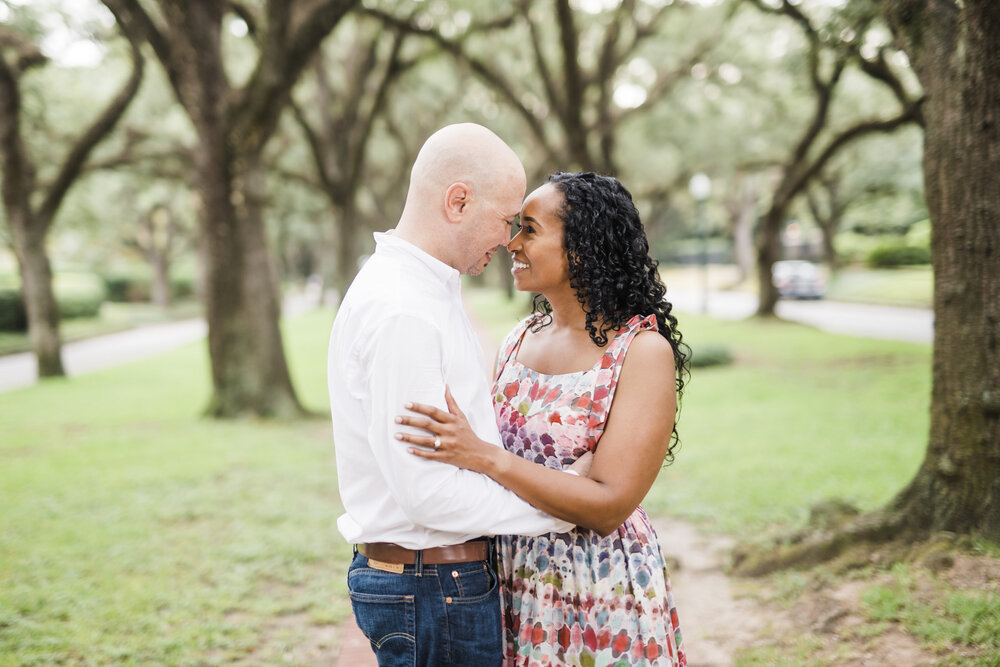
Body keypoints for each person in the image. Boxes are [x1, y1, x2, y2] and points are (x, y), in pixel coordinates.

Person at [396, 171, 690, 666]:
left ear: (582, 247)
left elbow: (608, 505)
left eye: (530, 229)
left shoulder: (640, 351)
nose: (512, 242)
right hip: (509, 579)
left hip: (597, 588)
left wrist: (485, 457)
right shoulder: (518, 338)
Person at [328, 124, 579, 667]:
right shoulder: (404, 309)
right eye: (506, 218)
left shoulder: (424, 291)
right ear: (458, 201)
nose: (510, 238)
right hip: (432, 588)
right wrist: (561, 509)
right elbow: (427, 493)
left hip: (434, 584)